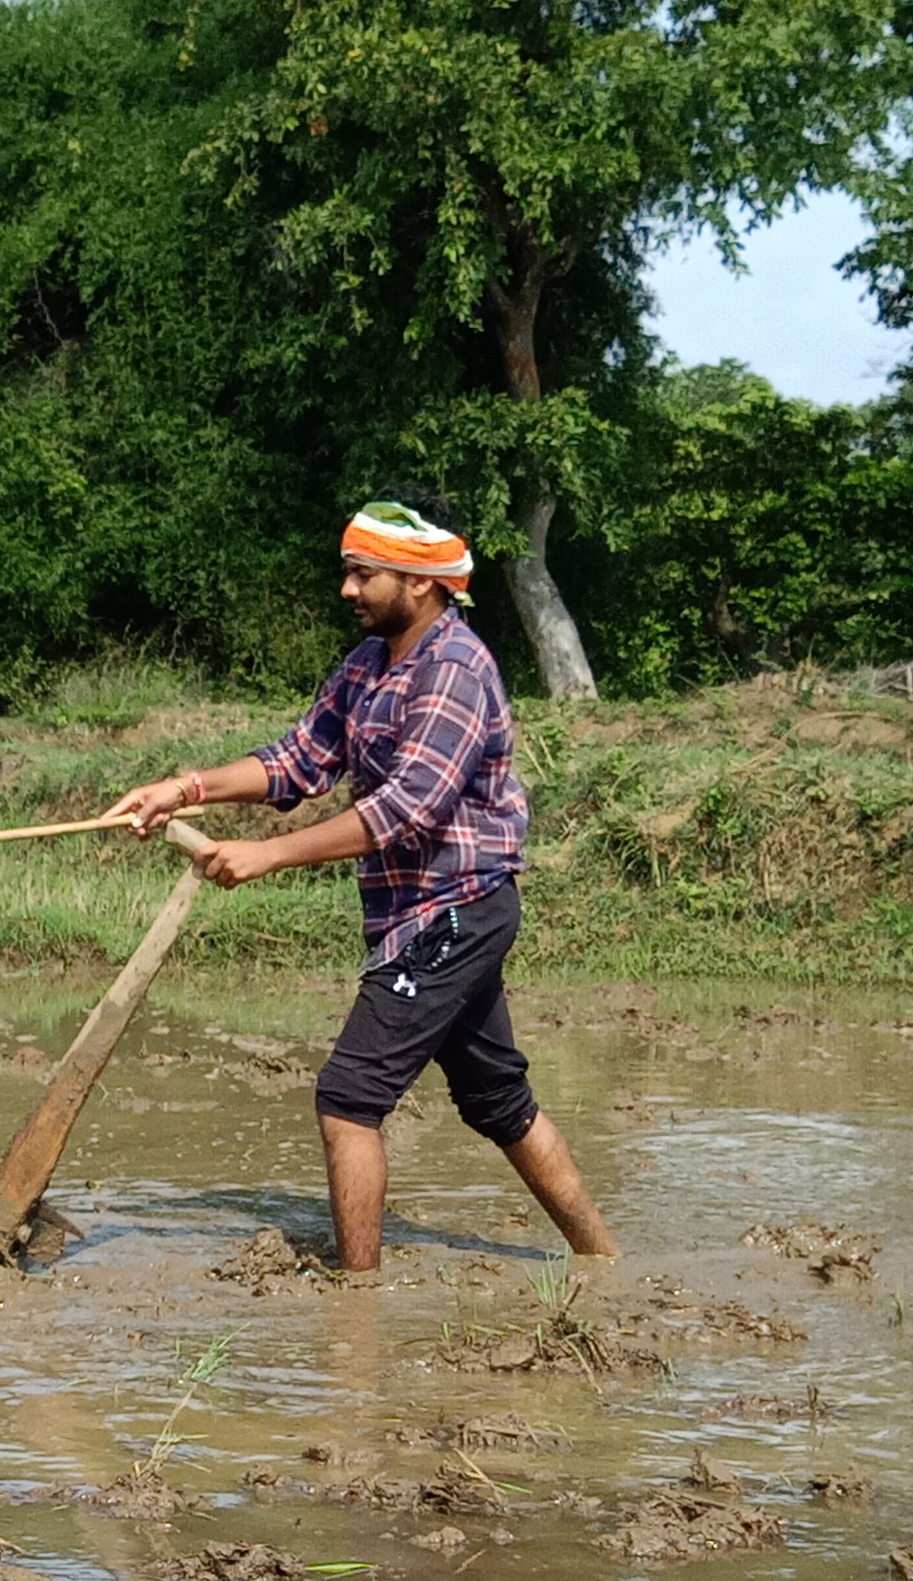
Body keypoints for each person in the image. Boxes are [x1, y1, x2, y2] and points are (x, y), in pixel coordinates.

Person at [105, 494, 615, 1274]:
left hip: (456, 910)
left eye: (361, 574)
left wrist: (269, 856)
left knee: (348, 1100)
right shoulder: (367, 666)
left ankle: (358, 1306)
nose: (347, 590)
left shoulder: (455, 670)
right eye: (347, 572)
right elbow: (294, 761)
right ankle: (607, 1262)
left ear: (418, 582)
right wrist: (184, 789)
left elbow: (408, 808)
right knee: (498, 1103)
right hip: (417, 913)